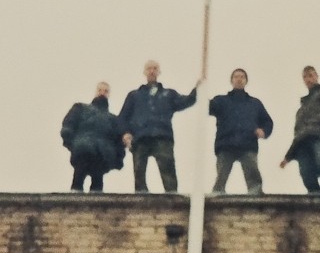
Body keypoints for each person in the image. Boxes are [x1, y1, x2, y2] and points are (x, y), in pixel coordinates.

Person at [118, 60, 199, 193]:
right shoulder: (134, 95)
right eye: (149, 68)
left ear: (159, 72)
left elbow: (186, 101)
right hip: (140, 137)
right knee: (139, 172)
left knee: (168, 169)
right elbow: (123, 117)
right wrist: (126, 133)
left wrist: (198, 88)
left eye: (155, 68)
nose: (152, 71)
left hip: (162, 136)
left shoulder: (168, 94)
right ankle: (141, 197)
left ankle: (172, 197)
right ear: (144, 72)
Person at [279, 65, 320, 195]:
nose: (308, 79)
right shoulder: (302, 109)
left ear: (316, 76)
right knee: (306, 171)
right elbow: (298, 133)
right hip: (302, 143)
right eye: (305, 77)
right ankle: (314, 195)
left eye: (310, 75)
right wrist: (288, 156)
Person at [209, 68, 274, 195]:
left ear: (246, 81)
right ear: (231, 80)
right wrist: (200, 91)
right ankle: (217, 196)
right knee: (221, 177)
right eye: (236, 77)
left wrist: (264, 131)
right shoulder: (221, 101)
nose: (239, 79)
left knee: (253, 176)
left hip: (248, 144)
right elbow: (206, 107)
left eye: (242, 77)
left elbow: (267, 121)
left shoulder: (254, 103)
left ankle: (256, 197)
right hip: (226, 144)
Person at [60, 82, 125, 192]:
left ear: (109, 94)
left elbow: (118, 140)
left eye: (106, 91)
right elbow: (69, 124)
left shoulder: (113, 119)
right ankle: (75, 197)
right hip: (83, 149)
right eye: (100, 90)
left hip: (102, 154)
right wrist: (71, 141)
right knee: (79, 177)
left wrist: (118, 157)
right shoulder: (80, 108)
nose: (102, 93)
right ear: (95, 91)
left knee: (97, 182)